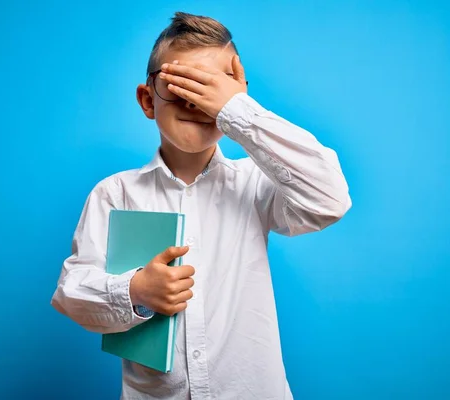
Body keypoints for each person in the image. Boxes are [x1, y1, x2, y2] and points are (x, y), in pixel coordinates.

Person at [51, 11, 351, 400]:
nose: (195, 102)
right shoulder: (114, 193)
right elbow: (71, 292)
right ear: (147, 100)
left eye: (210, 88)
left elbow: (329, 199)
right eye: (181, 85)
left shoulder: (256, 184)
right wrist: (135, 289)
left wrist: (238, 110)